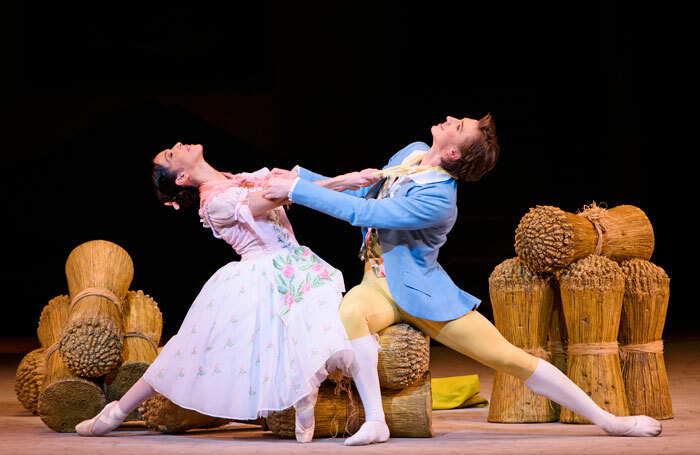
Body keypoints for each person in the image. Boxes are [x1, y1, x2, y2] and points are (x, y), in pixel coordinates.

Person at [261, 114, 663, 445]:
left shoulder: (438, 199)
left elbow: (365, 215)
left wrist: (297, 189)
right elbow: (366, 195)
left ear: (453, 152)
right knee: (351, 311)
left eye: (458, 125)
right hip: (377, 286)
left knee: (510, 358)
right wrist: (303, 178)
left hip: (423, 294)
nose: (449, 119)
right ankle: (376, 422)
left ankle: (610, 420)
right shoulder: (413, 154)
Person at [75, 142, 378, 442]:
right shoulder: (215, 202)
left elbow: (296, 192)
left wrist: (348, 182)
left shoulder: (239, 180)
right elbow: (281, 195)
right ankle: (116, 411)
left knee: (315, 327)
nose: (178, 145)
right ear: (181, 177)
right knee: (187, 351)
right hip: (259, 275)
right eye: (171, 153)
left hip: (295, 266)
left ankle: (305, 393)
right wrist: (347, 180)